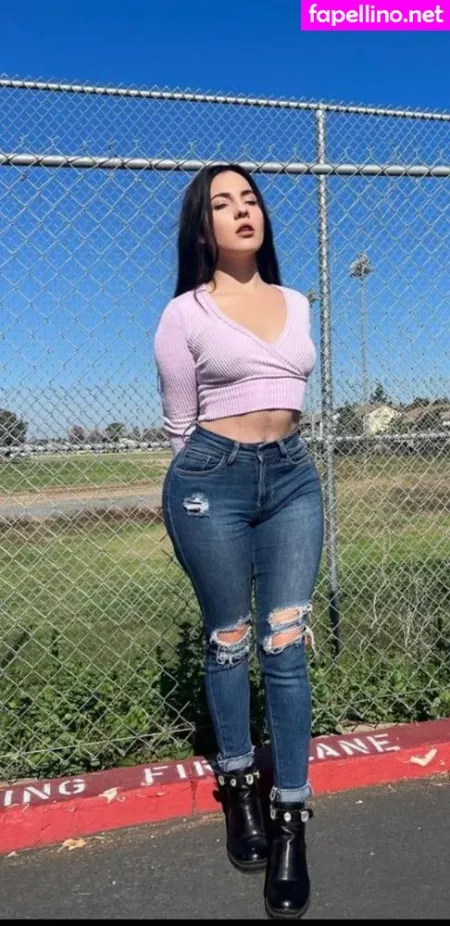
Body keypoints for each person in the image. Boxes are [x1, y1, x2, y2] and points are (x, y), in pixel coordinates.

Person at [154, 163, 324, 920]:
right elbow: (177, 424)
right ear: (203, 227)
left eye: (249, 198)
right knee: (228, 639)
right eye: (222, 203)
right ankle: (237, 785)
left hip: (292, 478)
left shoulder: (296, 302)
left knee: (284, 645)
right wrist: (192, 500)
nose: (241, 210)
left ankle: (290, 818)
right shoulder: (183, 313)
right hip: (209, 479)